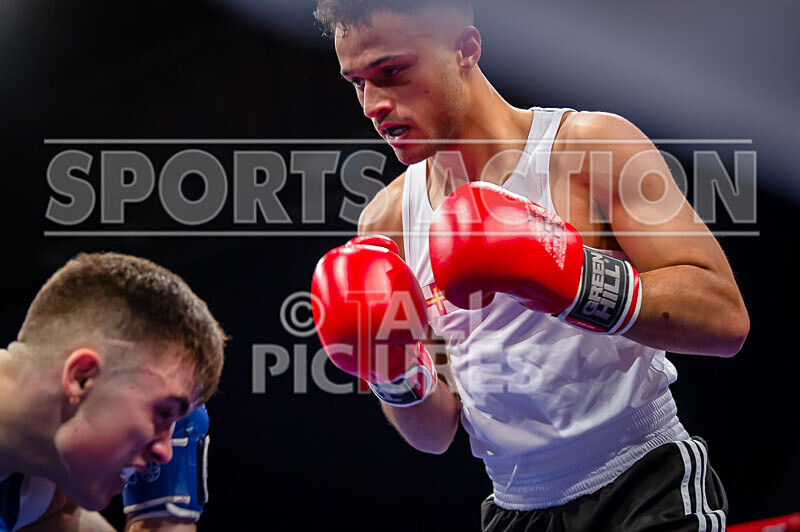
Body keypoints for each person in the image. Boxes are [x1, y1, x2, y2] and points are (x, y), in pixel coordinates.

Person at [311, 1, 750, 530]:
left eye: (391, 72)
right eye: (356, 83)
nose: (373, 104)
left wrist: (570, 278)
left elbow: (726, 320)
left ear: (465, 50)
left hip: (644, 484)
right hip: (514, 512)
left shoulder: (589, 149)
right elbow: (437, 432)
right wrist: (390, 369)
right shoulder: (385, 226)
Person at [0, 252, 225, 531]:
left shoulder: (35, 492)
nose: (165, 453)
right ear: (82, 377)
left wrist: (165, 520)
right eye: (163, 412)